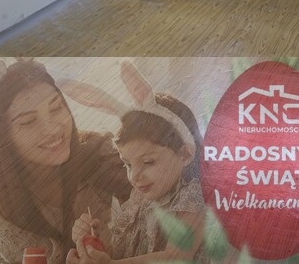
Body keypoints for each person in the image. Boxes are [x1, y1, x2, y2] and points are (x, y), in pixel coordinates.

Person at [0, 59, 132, 264]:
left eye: (56, 108)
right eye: (28, 121)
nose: (53, 129)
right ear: (1, 137)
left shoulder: (99, 153)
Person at [63, 62, 208, 263]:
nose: (134, 176)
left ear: (184, 154)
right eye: (128, 164)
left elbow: (176, 257)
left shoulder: (195, 197)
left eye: (148, 162)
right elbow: (128, 256)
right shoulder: (139, 201)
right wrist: (94, 246)